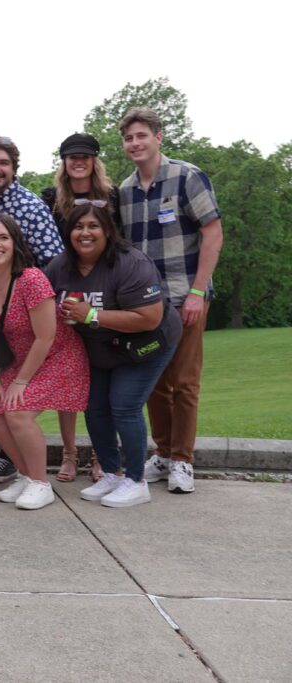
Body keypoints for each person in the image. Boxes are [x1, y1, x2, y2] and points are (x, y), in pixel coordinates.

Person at [45, 203, 181, 508]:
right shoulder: (59, 266)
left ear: (107, 230)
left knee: (124, 406)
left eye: (93, 226)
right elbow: (41, 301)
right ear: (68, 234)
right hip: (101, 347)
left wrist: (91, 314)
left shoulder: (130, 263)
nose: (85, 233)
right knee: (94, 408)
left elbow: (149, 317)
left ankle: (136, 481)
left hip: (146, 343)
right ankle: (111, 473)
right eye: (78, 227)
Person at [118, 107, 224, 495]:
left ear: (158, 137)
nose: (135, 144)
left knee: (184, 382)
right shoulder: (125, 191)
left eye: (142, 135)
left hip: (186, 297)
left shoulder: (187, 177)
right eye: (129, 138)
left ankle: (183, 460)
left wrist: (198, 291)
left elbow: (212, 234)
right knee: (154, 382)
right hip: (147, 305)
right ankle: (162, 454)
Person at [0, 214, 89, 510]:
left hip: (59, 356)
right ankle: (25, 475)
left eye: (3, 238)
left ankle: (41, 484)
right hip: (21, 361)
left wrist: (20, 382)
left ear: (15, 243)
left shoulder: (31, 279)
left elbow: (45, 337)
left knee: (18, 413)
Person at [0, 136, 65, 483]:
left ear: (13, 168)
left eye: (2, 163)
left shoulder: (31, 206)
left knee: (15, 394)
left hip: (27, 313)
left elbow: (52, 261)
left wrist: (31, 301)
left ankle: (16, 462)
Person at [40, 132, 120, 482]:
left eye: (85, 156)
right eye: (72, 156)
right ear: (64, 162)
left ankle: (103, 454)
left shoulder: (112, 197)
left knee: (107, 379)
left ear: (93, 160)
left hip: (104, 286)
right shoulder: (51, 198)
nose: (78, 161)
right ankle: (70, 453)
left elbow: (121, 241)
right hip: (67, 287)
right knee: (68, 377)